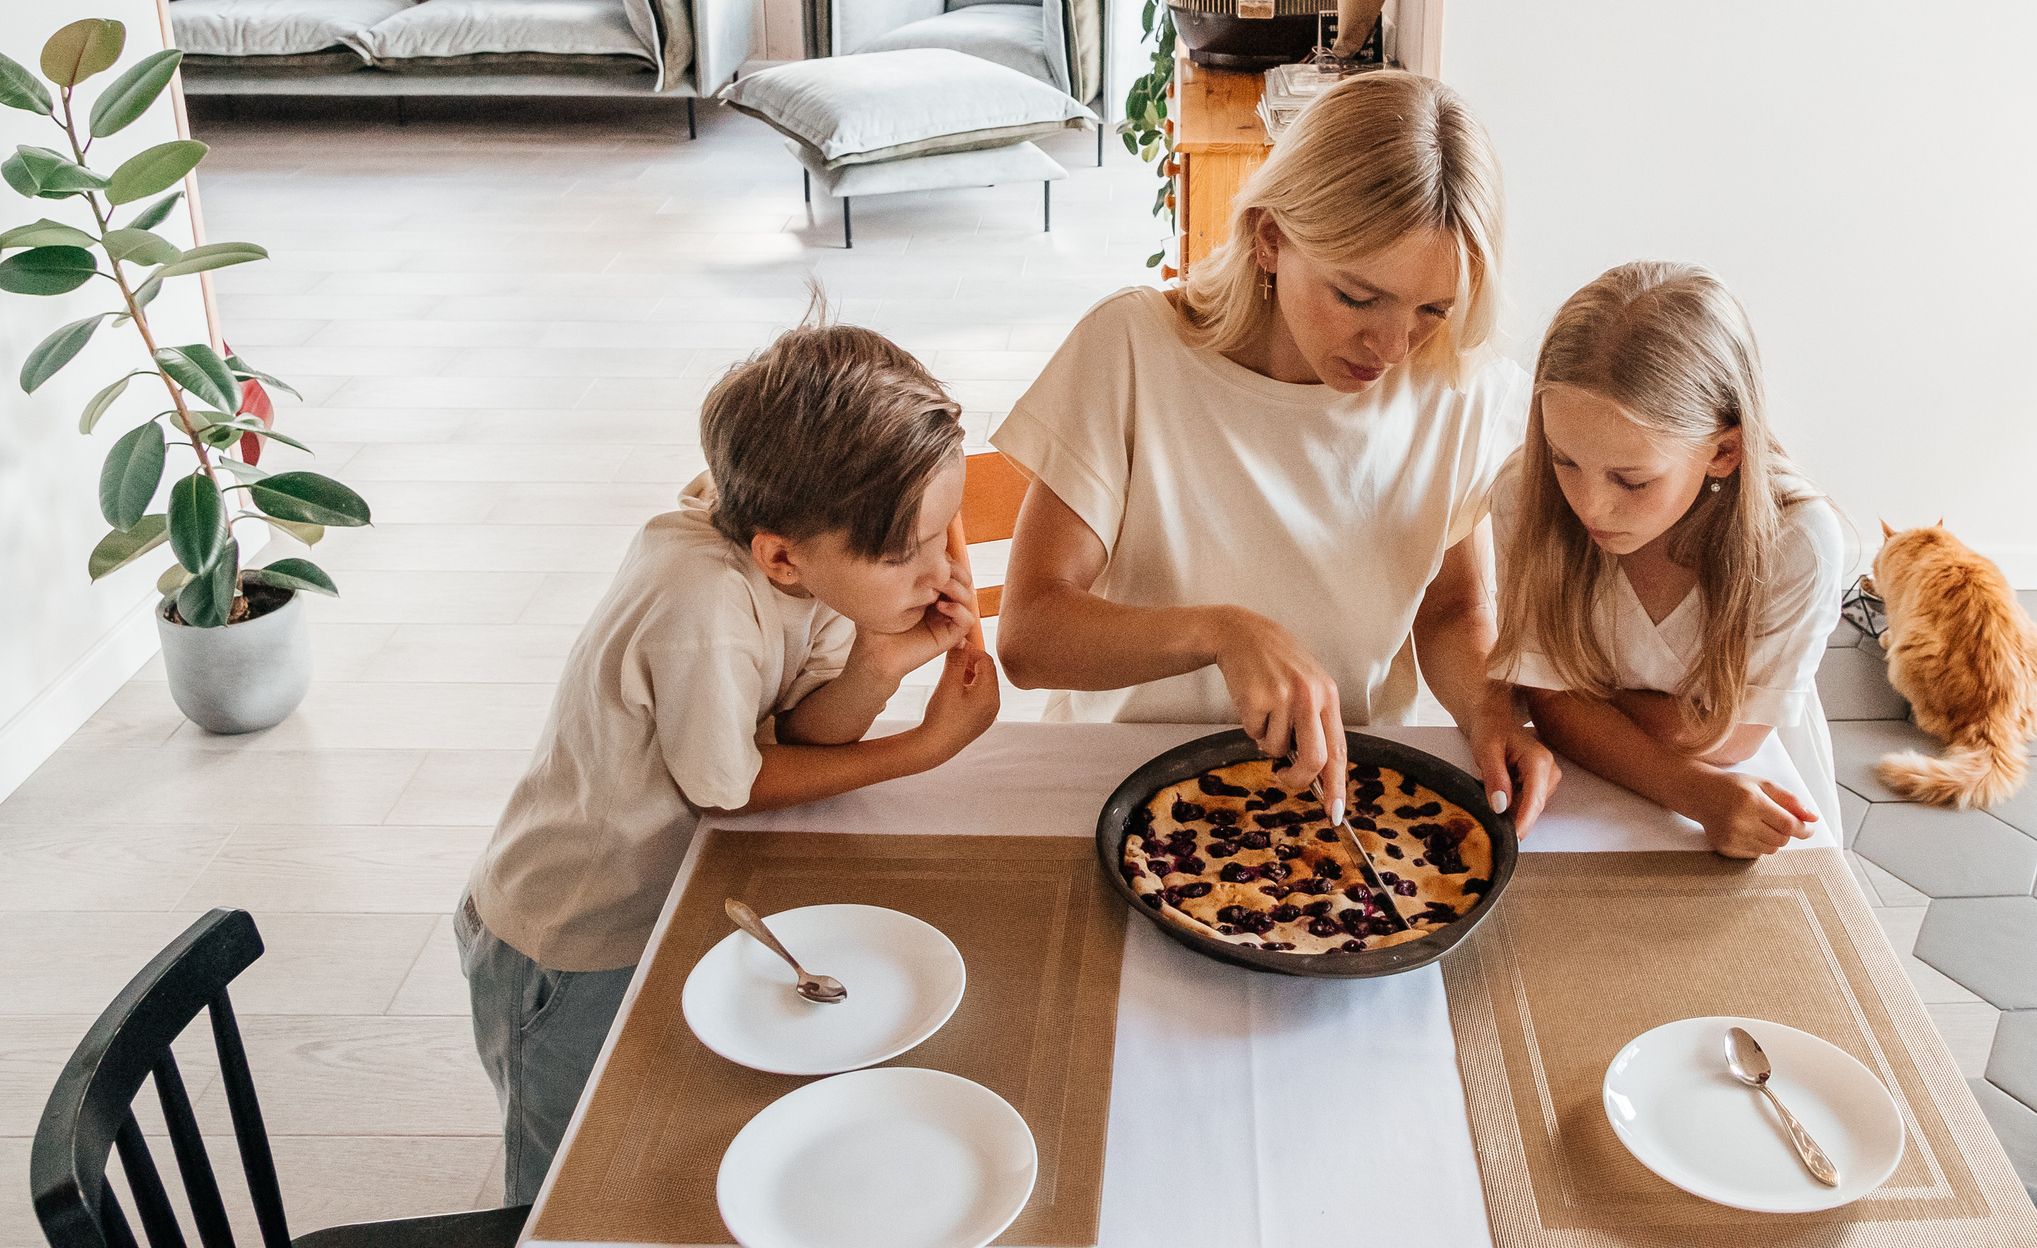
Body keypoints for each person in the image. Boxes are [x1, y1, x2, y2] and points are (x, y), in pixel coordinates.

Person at [456, 323, 1001, 1203]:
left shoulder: (801, 553)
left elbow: (804, 734)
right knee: (566, 1175)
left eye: (946, 533)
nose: (941, 568)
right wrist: (921, 748)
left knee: (650, 1117)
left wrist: (877, 661)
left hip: (672, 894)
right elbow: (736, 788)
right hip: (571, 932)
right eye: (908, 553)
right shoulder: (704, 601)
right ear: (780, 554)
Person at [994, 71, 1559, 827]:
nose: (1392, 345)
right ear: (1270, 238)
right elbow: (1029, 636)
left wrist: (1493, 712)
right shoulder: (1133, 350)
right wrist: (1222, 632)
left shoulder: (1452, 387)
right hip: (1115, 787)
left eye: (1432, 308)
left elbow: (1454, 610)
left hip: (1340, 800)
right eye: (1358, 297)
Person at [1492, 262, 1847, 857]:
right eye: (1564, 460)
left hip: (1749, 798)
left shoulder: (1797, 541)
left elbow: (1734, 739)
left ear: (1724, 452)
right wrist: (1697, 791)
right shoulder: (1523, 495)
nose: (1590, 505)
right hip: (1634, 799)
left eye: (1632, 481)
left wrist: (1592, 708)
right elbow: (1550, 709)